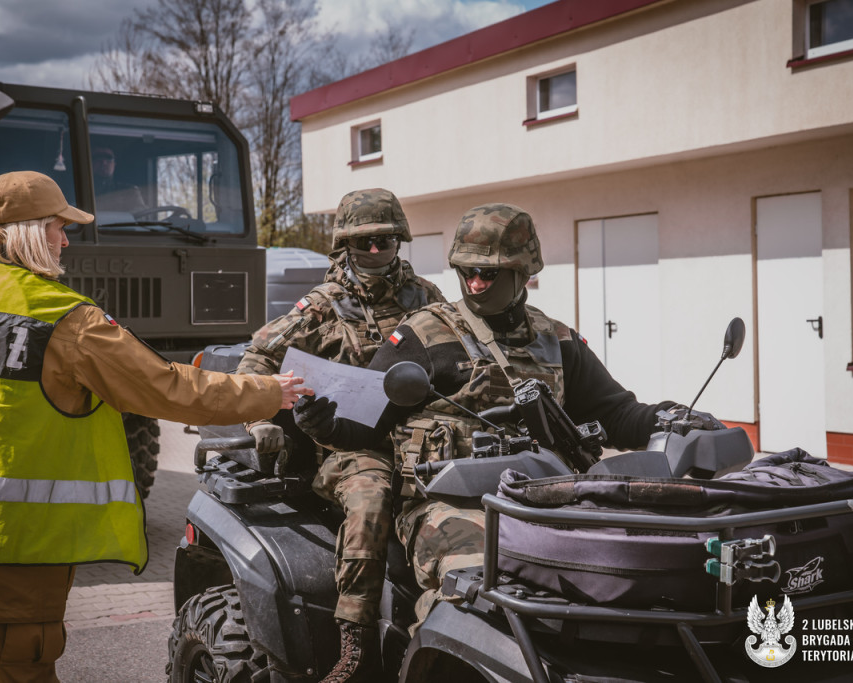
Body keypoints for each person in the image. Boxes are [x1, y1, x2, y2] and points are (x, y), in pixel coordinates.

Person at [0, 170, 311, 682]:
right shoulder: (64, 319)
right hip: (13, 561)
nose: (65, 240)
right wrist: (268, 392)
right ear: (26, 231)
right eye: (58, 227)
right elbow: (168, 388)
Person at [294, 203, 724, 626]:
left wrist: (671, 417)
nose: (476, 284)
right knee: (480, 594)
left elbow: (615, 411)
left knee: (637, 570)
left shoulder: (557, 339)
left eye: (489, 272)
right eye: (467, 272)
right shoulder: (420, 336)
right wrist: (323, 423)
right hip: (448, 505)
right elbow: (364, 423)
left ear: (525, 272)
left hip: (549, 498)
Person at [236, 188, 446, 682]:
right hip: (349, 448)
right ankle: (353, 642)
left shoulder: (428, 300)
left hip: (423, 436)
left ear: (400, 241)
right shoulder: (322, 306)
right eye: (364, 243)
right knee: (372, 498)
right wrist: (261, 419)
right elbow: (257, 360)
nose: (376, 252)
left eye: (385, 241)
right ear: (344, 248)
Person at [91, 146, 147, 213]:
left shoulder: (129, 191)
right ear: (90, 162)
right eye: (97, 157)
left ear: (114, 164)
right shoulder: (80, 191)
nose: (104, 162)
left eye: (109, 158)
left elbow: (141, 215)